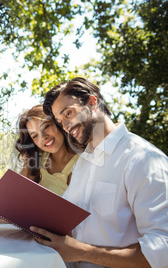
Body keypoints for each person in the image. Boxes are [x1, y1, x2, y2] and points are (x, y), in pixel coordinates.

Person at [31, 77, 168, 268]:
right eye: (61, 121)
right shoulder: (83, 163)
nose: (66, 126)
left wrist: (81, 252)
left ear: (92, 102)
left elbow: (163, 251)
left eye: (68, 113)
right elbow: (63, 216)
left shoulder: (144, 160)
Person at [0, 104, 79, 224]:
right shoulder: (37, 159)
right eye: (35, 135)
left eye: (46, 127)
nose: (43, 137)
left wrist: (17, 216)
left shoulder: (81, 162)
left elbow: (71, 216)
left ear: (58, 123)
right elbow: (17, 198)